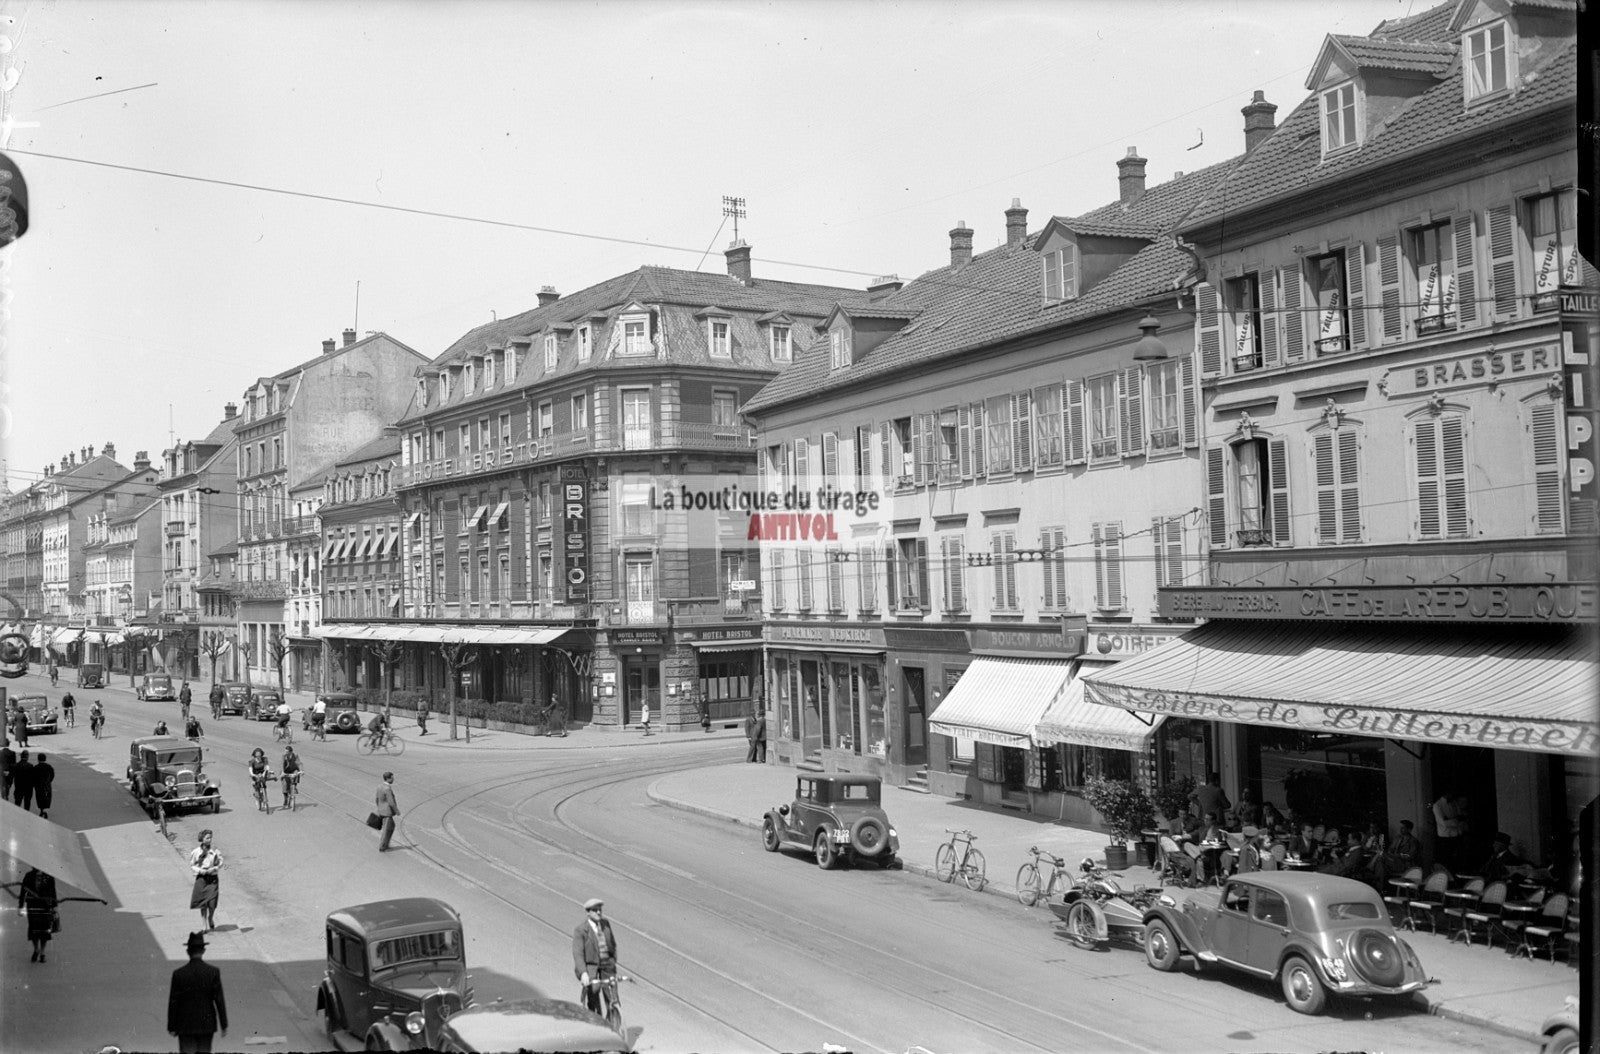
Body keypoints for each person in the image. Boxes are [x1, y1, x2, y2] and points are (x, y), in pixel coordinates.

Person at [168, 930, 228, 1053]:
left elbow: (173, 1002)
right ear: (203, 951)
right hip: (207, 1025)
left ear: (187, 951)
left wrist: (171, 1026)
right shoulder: (213, 972)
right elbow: (219, 1000)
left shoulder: (179, 974)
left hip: (185, 1025)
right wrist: (224, 1024)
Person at [572, 897, 619, 1017]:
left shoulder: (605, 924)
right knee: (593, 994)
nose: (598, 912)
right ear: (588, 913)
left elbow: (612, 943)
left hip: (606, 964)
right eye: (595, 910)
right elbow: (578, 954)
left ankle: (613, 1022)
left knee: (613, 998)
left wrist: (613, 960)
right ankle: (595, 1018)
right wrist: (583, 973)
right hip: (591, 966)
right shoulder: (581, 930)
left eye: (600, 910)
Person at [17, 866, 58, 962]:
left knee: (44, 930)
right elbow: (23, 891)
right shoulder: (29, 876)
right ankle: (36, 949)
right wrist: (20, 906)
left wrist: (54, 906)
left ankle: (42, 952)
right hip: (32, 906)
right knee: (33, 929)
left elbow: (53, 892)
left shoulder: (49, 877)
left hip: (45, 906)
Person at [189, 830, 221, 931]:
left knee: (212, 903)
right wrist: (200, 870)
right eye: (207, 838)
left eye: (210, 838)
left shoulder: (215, 850)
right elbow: (192, 865)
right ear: (202, 839)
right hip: (202, 879)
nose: (209, 840)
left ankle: (210, 917)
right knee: (203, 903)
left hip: (212, 879)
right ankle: (204, 924)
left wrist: (214, 869)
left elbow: (220, 862)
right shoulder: (196, 852)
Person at [1432, 791, 1465, 871]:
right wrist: (1456, 820)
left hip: (1457, 835)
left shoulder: (1454, 803)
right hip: (1446, 837)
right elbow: (1444, 823)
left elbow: (1461, 816)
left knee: (1458, 860)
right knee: (1447, 861)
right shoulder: (1438, 805)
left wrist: (1452, 819)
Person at [374, 771, 399, 852]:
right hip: (387, 812)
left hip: (381, 810)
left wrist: (379, 807)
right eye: (392, 778)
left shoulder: (379, 786)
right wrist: (397, 811)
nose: (393, 779)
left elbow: (377, 799)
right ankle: (383, 846)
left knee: (390, 826)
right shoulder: (388, 789)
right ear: (388, 779)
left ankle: (385, 844)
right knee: (387, 829)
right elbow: (391, 802)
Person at [32, 752, 53, 819]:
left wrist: (34, 784)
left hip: (38, 785)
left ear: (38, 759)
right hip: (47, 785)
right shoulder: (49, 767)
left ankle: (41, 809)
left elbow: (33, 777)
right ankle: (45, 809)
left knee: (39, 798)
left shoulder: (36, 767)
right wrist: (49, 781)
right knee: (47, 797)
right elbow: (52, 775)